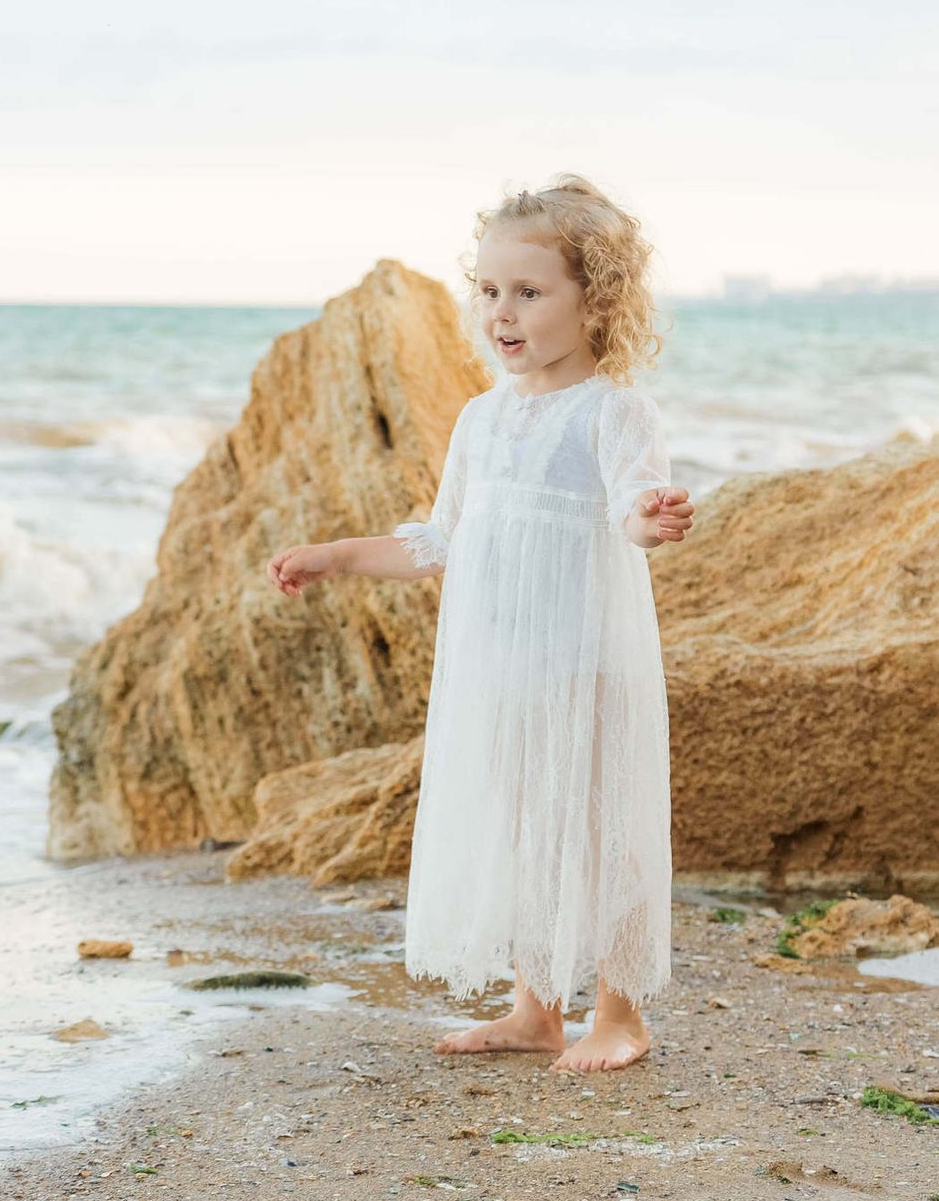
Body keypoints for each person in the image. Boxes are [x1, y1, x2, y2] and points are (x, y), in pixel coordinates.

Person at [267, 174, 693, 1071]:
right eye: (490, 291)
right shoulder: (481, 419)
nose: (502, 313)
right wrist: (336, 556)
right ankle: (534, 1010)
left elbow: (629, 508)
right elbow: (440, 540)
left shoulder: (613, 411)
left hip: (585, 662)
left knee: (598, 830)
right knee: (524, 829)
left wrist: (649, 520)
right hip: (501, 668)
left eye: (530, 293)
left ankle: (619, 1015)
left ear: (598, 301)